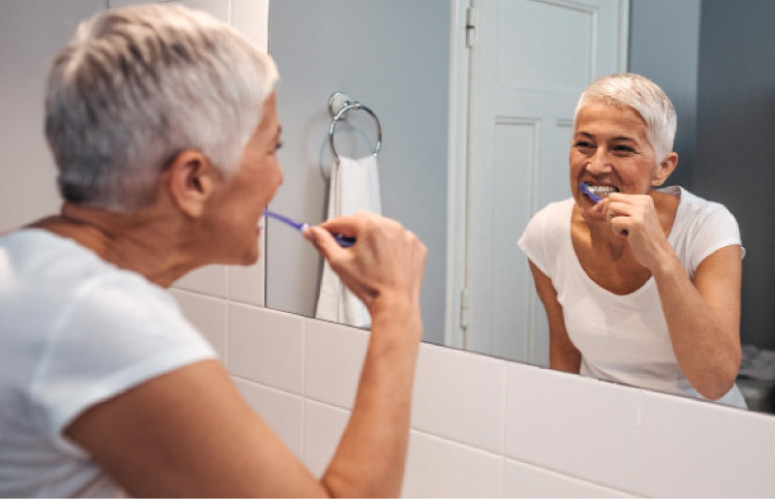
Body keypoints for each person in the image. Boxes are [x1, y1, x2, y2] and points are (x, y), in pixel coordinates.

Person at [0, 4, 426, 497]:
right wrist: (396, 308)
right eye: (272, 148)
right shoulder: (100, 320)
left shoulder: (29, 263)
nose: (280, 177)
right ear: (194, 180)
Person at [518, 73, 746, 408]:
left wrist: (660, 257)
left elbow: (715, 382)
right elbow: (565, 355)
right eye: (584, 144)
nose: (596, 165)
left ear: (662, 168)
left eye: (621, 148)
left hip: (705, 428)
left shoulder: (708, 227)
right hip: (608, 424)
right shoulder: (547, 230)